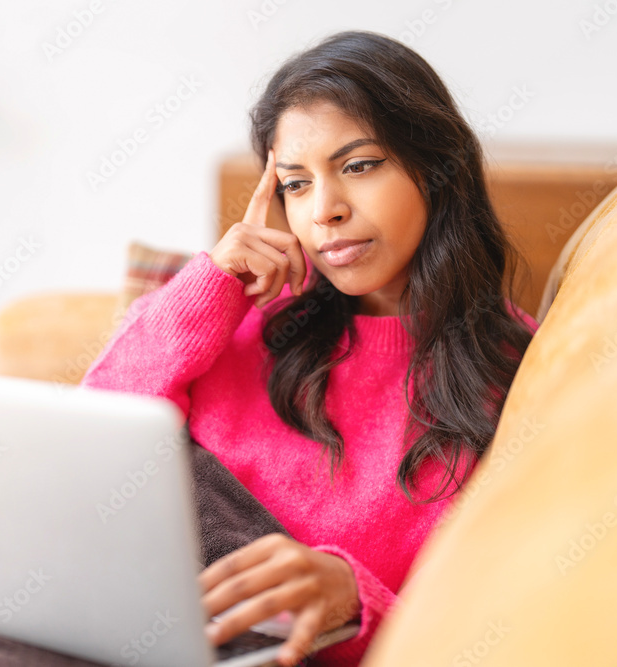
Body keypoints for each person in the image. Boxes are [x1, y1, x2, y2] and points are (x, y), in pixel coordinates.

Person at [80, 30, 539, 667]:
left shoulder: (519, 375)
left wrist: (356, 601)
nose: (325, 211)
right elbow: (89, 445)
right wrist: (212, 287)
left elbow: (492, 632)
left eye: (358, 166)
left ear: (438, 168)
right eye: (296, 184)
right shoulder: (240, 317)